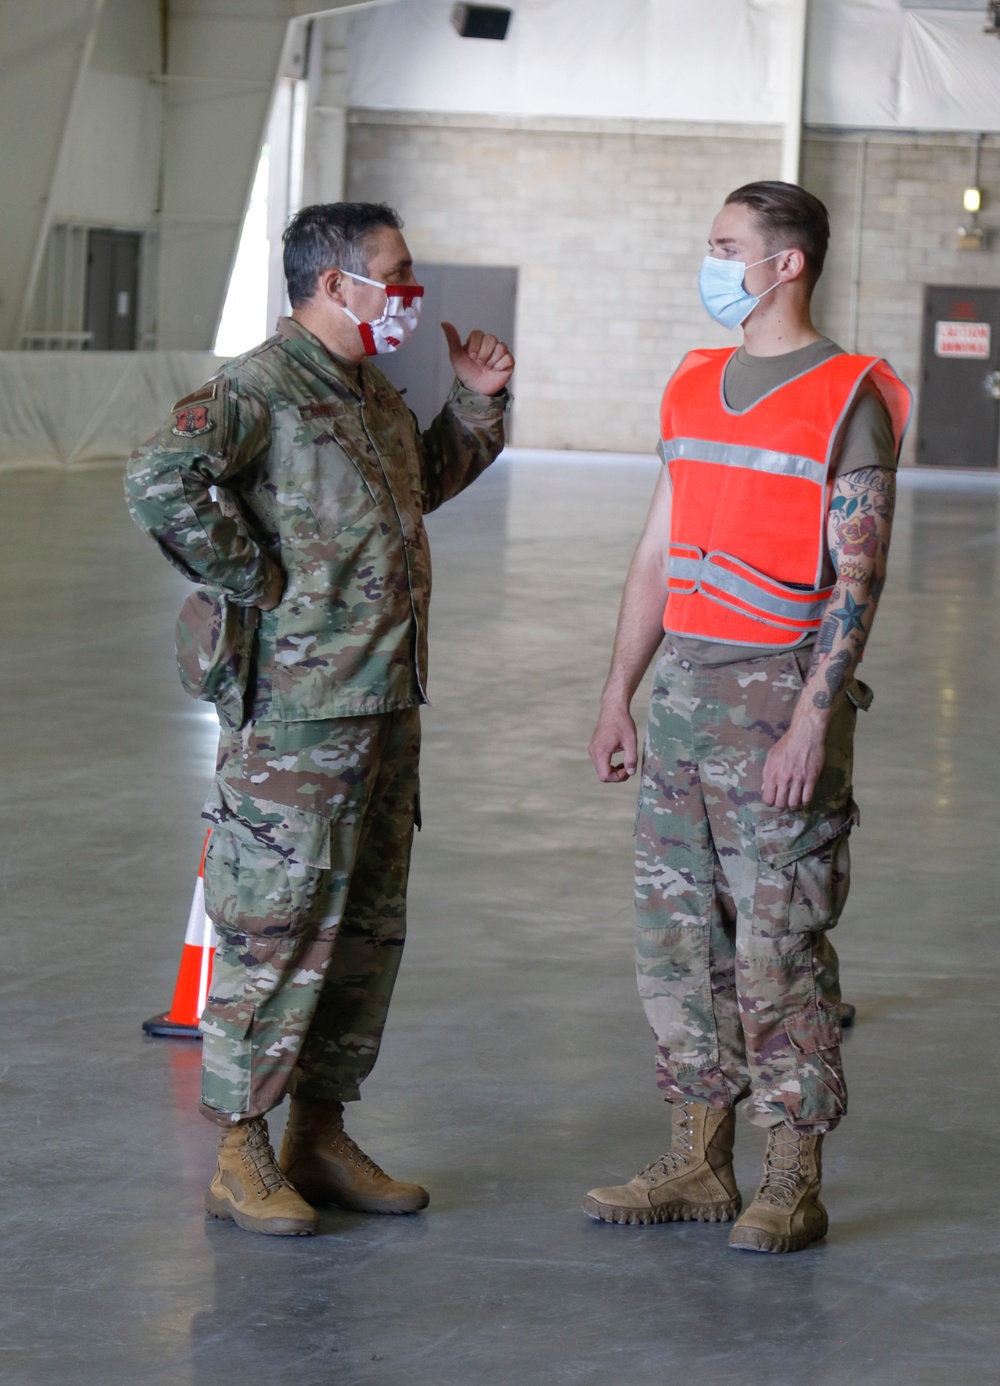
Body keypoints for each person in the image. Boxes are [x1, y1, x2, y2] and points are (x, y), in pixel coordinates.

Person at [126, 202, 514, 1237]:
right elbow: (159, 482)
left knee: (364, 930)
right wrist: (257, 578)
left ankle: (319, 1132)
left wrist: (475, 407)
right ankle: (241, 1150)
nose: (411, 289)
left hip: (384, 702)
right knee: (276, 927)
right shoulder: (261, 388)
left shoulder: (366, 392)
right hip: (298, 718)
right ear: (334, 284)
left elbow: (416, 488)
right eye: (394, 271)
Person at [582, 182, 909, 1253]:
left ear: (787, 265)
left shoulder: (846, 393)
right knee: (677, 946)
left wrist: (814, 723)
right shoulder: (691, 383)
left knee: (778, 951)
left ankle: (789, 1178)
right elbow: (653, 551)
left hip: (779, 704)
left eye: (727, 248)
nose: (709, 264)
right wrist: (616, 693)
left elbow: (857, 580)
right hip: (680, 700)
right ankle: (696, 1161)